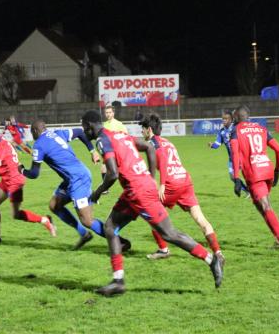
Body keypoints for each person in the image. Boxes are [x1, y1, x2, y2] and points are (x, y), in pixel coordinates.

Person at [81, 110, 223, 296]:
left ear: (90, 126)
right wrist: (151, 177)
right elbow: (148, 147)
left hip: (140, 192)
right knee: (109, 227)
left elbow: (112, 173)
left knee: (169, 233)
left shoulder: (102, 140)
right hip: (134, 190)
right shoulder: (120, 135)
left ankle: (211, 259)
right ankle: (118, 281)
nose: (84, 132)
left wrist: (96, 193)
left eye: (84, 128)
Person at [19, 120, 131, 251]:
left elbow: (34, 173)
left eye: (32, 133)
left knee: (87, 220)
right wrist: (91, 150)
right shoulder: (57, 133)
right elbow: (79, 132)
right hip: (72, 179)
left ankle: (120, 242)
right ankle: (84, 235)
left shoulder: (39, 145)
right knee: (54, 205)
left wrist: (20, 169)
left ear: (35, 131)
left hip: (78, 180)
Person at [140, 114, 224, 262]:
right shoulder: (169, 142)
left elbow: (164, 160)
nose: (141, 132)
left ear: (149, 129)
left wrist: (163, 184)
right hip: (185, 180)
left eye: (143, 129)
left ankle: (163, 249)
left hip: (172, 183)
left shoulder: (153, 143)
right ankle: (218, 253)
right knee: (200, 218)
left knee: (151, 213)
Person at [0, 120, 56, 244]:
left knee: (16, 214)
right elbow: (2, 161)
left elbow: (2, 150)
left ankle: (45, 220)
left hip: (15, 181)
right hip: (7, 179)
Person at [230, 105, 279, 258]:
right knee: (260, 206)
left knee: (265, 206)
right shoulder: (261, 128)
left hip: (254, 174)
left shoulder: (236, 131)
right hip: (267, 170)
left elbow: (235, 154)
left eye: (233, 118)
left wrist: (237, 178)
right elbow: (278, 150)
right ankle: (278, 240)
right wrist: (277, 171)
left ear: (237, 118)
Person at [208, 110, 250, 197]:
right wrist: (212, 145)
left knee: (248, 175)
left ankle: (256, 191)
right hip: (232, 159)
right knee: (232, 177)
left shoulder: (236, 128)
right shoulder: (221, 131)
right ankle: (247, 190)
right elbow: (217, 144)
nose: (224, 120)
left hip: (242, 156)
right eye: (223, 119)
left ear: (231, 120)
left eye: (226, 119)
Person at [100, 105, 128, 193]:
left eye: (109, 112)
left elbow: (126, 136)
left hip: (118, 151)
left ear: (113, 113)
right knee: (103, 167)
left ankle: (129, 187)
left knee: (122, 171)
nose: (108, 114)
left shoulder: (119, 124)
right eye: (106, 113)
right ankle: (105, 189)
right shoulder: (104, 125)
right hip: (108, 150)